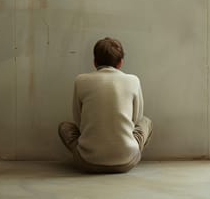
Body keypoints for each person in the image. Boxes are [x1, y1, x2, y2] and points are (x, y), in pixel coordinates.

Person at [58, 37, 152, 173]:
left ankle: (90, 151)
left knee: (64, 127)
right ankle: (126, 151)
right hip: (126, 162)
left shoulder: (81, 80)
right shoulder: (133, 80)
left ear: (95, 62)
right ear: (121, 63)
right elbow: (137, 119)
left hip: (87, 162)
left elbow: (78, 120)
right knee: (146, 122)